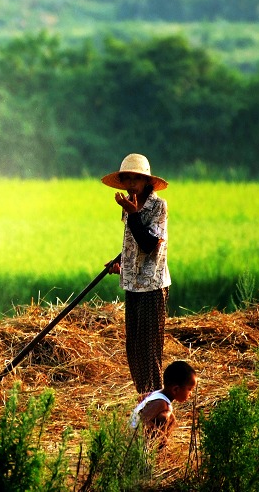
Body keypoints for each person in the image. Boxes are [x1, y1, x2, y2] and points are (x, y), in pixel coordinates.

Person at [102, 153, 170, 395]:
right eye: (127, 179)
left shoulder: (157, 206)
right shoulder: (129, 205)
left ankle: (157, 400)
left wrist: (132, 213)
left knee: (149, 348)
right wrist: (119, 262)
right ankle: (145, 396)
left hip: (152, 285)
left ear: (146, 181)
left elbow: (150, 243)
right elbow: (132, 243)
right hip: (133, 284)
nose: (131, 184)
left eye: (136, 179)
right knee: (134, 347)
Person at [129, 360, 197, 445]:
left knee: (171, 418)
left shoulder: (157, 393)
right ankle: (156, 451)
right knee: (166, 417)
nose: (191, 394)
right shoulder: (161, 403)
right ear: (175, 389)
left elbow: (140, 398)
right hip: (134, 440)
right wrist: (161, 438)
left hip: (134, 434)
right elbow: (143, 422)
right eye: (189, 389)